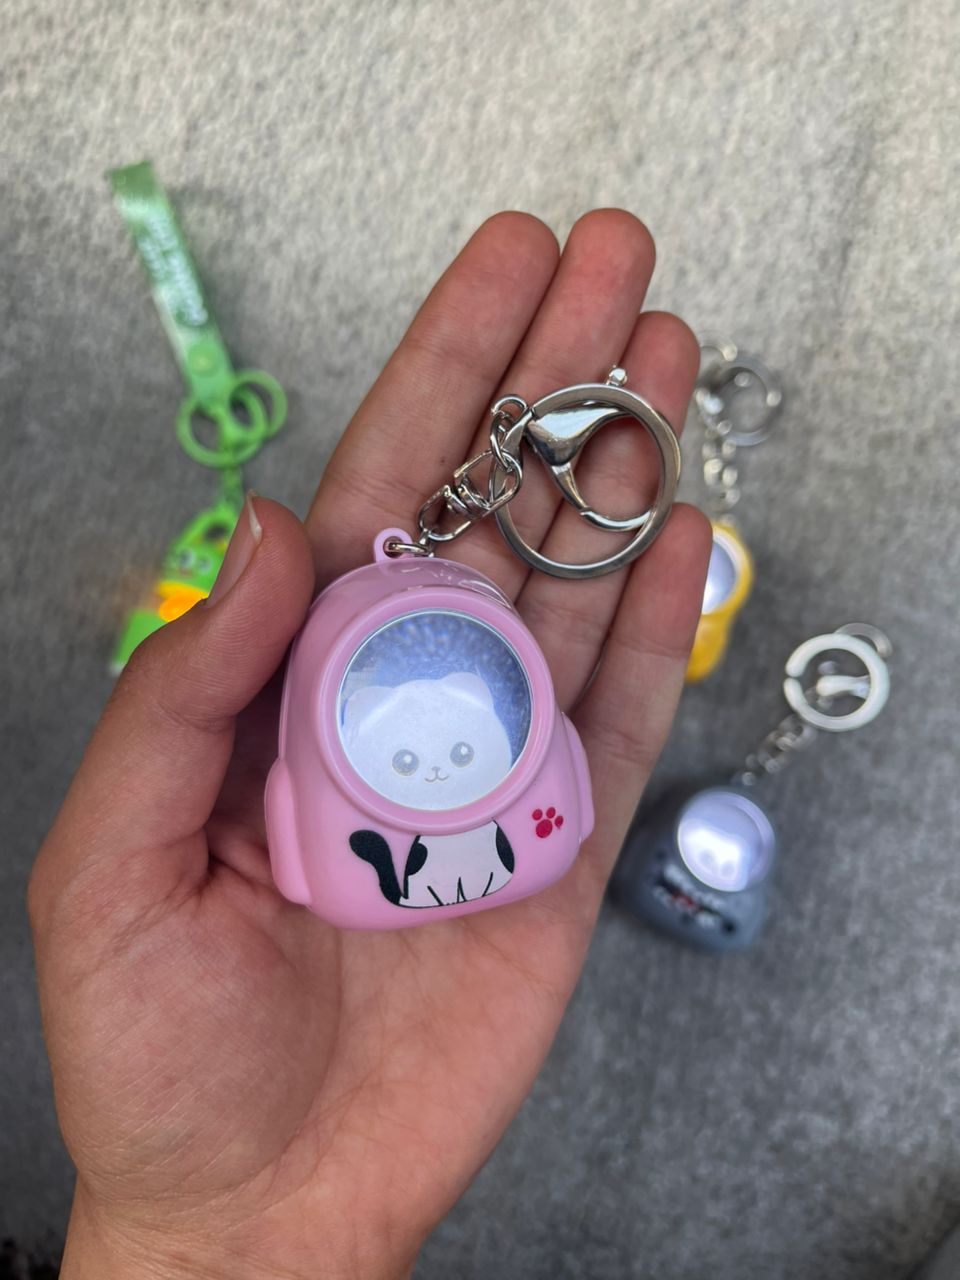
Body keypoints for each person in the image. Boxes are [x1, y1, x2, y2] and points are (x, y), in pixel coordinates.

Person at [29, 209, 711, 1279]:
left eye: (453, 753)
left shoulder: (508, 753)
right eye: (415, 759)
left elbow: (548, 767)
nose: (435, 770)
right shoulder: (377, 765)